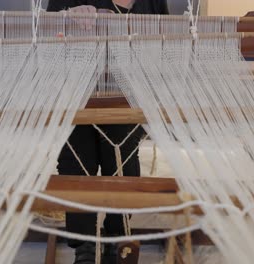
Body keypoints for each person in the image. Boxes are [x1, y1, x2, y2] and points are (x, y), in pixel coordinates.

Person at [47, 1, 169, 263]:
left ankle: (118, 239)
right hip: (75, 91)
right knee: (78, 162)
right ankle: (85, 245)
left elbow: (165, 41)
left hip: (127, 93)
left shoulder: (151, 2)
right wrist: (66, 17)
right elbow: (44, 30)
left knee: (121, 161)